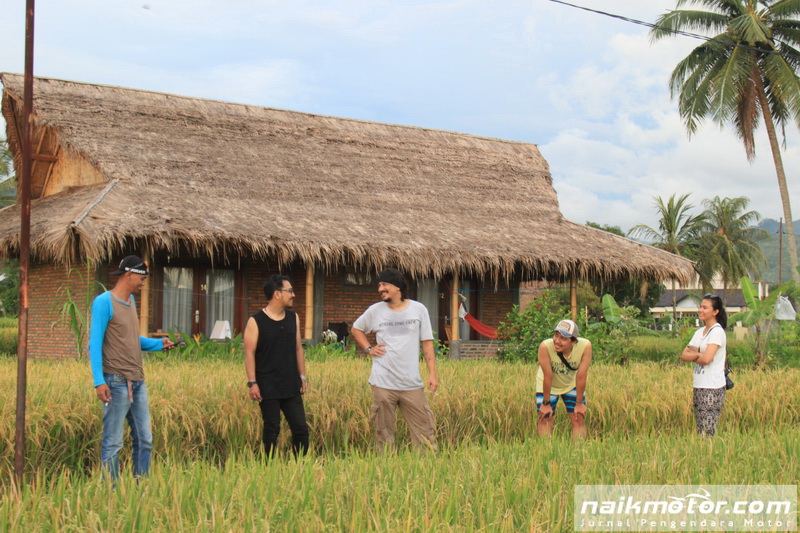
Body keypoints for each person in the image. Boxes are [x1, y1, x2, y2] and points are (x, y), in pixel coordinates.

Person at [89, 255, 175, 480]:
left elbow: (129, 339)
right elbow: (94, 344)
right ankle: (111, 491)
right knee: (113, 443)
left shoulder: (131, 301)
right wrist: (99, 381)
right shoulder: (104, 302)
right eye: (142, 278)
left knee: (145, 439)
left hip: (137, 381)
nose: (143, 283)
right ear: (129, 274)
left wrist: (158, 344)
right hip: (115, 382)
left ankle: (141, 487)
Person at [351, 268, 438, 452]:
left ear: (397, 286)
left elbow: (427, 343)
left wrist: (432, 374)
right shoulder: (375, 311)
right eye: (379, 285)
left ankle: (427, 467)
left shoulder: (418, 310)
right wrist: (368, 348)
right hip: (383, 383)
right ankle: (386, 467)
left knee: (425, 433)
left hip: (411, 384)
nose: (380, 289)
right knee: (383, 434)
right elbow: (356, 329)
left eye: (384, 285)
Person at [244, 274, 309, 457]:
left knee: (301, 429)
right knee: (272, 429)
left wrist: (302, 376)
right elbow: (249, 353)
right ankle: (268, 466)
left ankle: (300, 465)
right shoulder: (256, 321)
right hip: (267, 385)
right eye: (290, 291)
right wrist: (252, 383)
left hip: (290, 383)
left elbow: (298, 348)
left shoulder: (293, 318)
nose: (293, 295)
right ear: (277, 294)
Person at [536, 319, 593, 439]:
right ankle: (545, 448)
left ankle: (579, 449)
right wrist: (545, 403)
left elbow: (581, 376)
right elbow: (548, 375)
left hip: (571, 383)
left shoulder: (585, 346)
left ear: (574, 341)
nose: (557, 341)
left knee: (578, 417)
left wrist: (579, 403)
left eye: (563, 338)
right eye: (556, 335)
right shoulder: (545, 346)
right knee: (545, 417)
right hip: (548, 384)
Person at [681, 293, 727, 437]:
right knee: (701, 426)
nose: (700, 310)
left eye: (705, 308)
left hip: (712, 386)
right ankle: (703, 450)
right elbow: (684, 355)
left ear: (715, 312)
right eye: (700, 307)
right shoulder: (699, 332)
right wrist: (699, 355)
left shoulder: (717, 332)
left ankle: (710, 450)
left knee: (708, 428)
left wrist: (696, 353)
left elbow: (707, 359)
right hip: (699, 384)